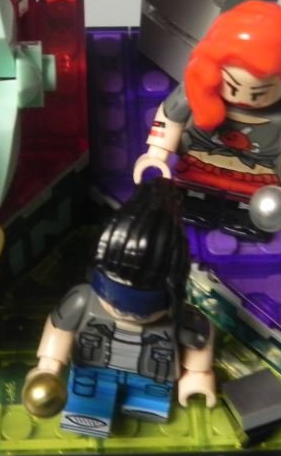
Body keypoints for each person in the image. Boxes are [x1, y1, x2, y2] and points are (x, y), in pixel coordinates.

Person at [22, 180, 215, 438]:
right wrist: (49, 364)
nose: (126, 312)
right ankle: (90, 418)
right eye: (114, 299)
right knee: (87, 410)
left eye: (143, 308)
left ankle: (142, 407)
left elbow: (199, 338)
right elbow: (59, 329)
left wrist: (198, 375)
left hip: (150, 377)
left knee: (148, 405)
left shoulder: (177, 315)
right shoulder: (82, 300)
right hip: (93, 370)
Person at [133, 0, 281, 228]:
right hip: (198, 164)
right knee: (193, 195)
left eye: (259, 93)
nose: (243, 98)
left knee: (248, 206)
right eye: (232, 87)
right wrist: (156, 154)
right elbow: (169, 119)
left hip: (257, 176)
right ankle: (193, 204)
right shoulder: (195, 92)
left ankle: (245, 218)